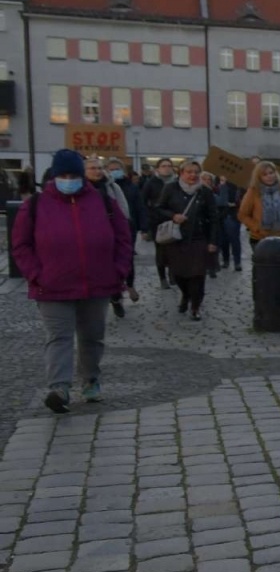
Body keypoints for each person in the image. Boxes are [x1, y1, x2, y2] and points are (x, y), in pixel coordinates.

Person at [11, 149, 132, 412]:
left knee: (92, 337)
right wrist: (35, 274)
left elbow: (123, 237)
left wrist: (118, 270)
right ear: (54, 176)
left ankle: (90, 379)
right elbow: (21, 245)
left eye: (74, 175)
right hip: (52, 285)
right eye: (63, 175)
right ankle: (60, 387)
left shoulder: (102, 201)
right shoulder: (35, 205)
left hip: (97, 283)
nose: (69, 179)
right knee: (59, 337)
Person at [151, 160, 219, 320]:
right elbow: (159, 208)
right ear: (181, 173)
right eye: (189, 172)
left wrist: (213, 241)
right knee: (179, 275)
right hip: (176, 239)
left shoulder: (205, 192)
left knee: (197, 275)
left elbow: (214, 218)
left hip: (198, 238)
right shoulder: (171, 188)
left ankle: (195, 307)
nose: (193, 175)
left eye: (196, 172)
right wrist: (173, 216)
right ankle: (186, 295)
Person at [85, 156, 137, 318]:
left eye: (99, 168)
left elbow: (123, 210)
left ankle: (116, 298)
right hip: (88, 236)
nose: (97, 171)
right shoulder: (81, 188)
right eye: (93, 168)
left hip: (110, 232)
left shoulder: (111, 187)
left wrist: (125, 230)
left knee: (112, 267)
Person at [238, 161, 280, 247]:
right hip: (260, 239)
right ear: (259, 177)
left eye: (271, 173)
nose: (269, 176)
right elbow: (242, 215)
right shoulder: (253, 192)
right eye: (264, 174)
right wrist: (256, 227)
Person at [142, 157, 178, 288]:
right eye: (163, 166)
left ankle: (173, 274)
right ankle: (162, 277)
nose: (167, 168)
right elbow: (143, 201)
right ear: (158, 168)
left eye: (169, 165)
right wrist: (146, 222)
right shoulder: (151, 183)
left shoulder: (177, 182)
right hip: (157, 221)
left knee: (175, 249)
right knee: (161, 250)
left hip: (174, 220)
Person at [214, 173, 244, 272]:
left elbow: (238, 199)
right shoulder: (216, 184)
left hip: (232, 215)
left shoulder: (234, 185)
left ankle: (237, 262)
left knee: (234, 239)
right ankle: (226, 260)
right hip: (220, 215)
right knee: (223, 240)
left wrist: (234, 203)